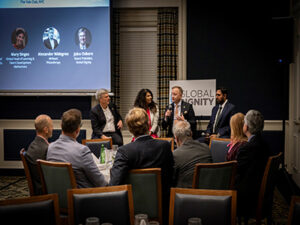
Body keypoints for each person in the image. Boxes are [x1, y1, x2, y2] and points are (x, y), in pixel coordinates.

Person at [110, 107, 174, 223]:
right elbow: (171, 175)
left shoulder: (124, 151)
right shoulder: (164, 146)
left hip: (131, 209)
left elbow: (114, 184)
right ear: (149, 124)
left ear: (129, 128)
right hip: (164, 207)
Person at [47, 109, 107, 188]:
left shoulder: (50, 148)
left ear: (61, 126)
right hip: (83, 197)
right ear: (78, 130)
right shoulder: (82, 151)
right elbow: (101, 183)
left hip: (57, 197)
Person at [235, 109, 270, 216]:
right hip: (260, 190)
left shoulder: (246, 148)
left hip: (247, 195)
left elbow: (236, 172)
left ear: (246, 127)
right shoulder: (265, 144)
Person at [172, 120, 212, 188]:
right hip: (208, 193)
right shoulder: (206, 148)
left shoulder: (175, 155)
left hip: (184, 196)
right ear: (191, 133)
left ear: (176, 138)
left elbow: (171, 180)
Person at [25, 114, 53, 195]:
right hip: (46, 190)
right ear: (46, 130)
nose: (53, 128)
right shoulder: (45, 149)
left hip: (38, 186)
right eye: (51, 126)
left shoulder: (33, 144)